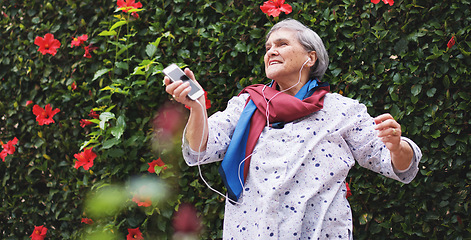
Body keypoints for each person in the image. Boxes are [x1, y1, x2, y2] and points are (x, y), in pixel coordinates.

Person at [164, 19, 421, 240]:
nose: (271, 52)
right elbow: (200, 151)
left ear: (311, 57)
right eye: (268, 47)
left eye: (282, 44)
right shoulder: (246, 104)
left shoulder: (341, 110)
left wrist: (398, 146)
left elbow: (393, 163)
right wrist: (197, 108)